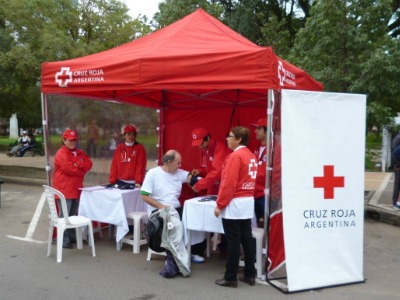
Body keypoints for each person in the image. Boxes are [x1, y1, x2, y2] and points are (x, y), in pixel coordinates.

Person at [140, 150, 206, 265]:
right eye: (178, 163)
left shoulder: (179, 173)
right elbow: (144, 196)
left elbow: (191, 178)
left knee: (195, 220)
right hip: (158, 210)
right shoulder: (152, 173)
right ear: (169, 162)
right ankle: (173, 258)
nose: (180, 166)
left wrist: (198, 181)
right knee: (174, 224)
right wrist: (162, 207)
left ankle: (190, 251)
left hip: (175, 208)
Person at [214, 126, 257, 288]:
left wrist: (220, 205)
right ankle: (250, 274)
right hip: (247, 201)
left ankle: (230, 277)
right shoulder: (250, 155)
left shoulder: (235, 156)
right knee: (247, 238)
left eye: (230, 136)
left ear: (238, 139)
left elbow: (228, 183)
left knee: (233, 242)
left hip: (235, 203)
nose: (227, 139)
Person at [190, 127, 231, 258]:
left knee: (224, 217)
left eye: (201, 143)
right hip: (213, 188)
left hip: (223, 188)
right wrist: (200, 171)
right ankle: (202, 246)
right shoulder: (207, 150)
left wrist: (199, 185)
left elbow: (217, 173)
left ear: (208, 138)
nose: (200, 146)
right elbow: (209, 170)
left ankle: (225, 248)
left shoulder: (220, 149)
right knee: (209, 217)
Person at [53, 129, 93, 249]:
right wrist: (81, 167)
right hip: (64, 188)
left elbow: (89, 164)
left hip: (75, 189)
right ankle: (64, 239)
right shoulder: (61, 153)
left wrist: (78, 164)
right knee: (65, 215)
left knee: (73, 215)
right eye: (70, 140)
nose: (73, 142)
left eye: (74, 140)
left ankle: (70, 237)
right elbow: (68, 169)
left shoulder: (79, 152)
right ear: (64, 140)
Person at [251, 117, 268, 226]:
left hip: (266, 195)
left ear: (267, 130)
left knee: (269, 226)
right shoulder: (257, 148)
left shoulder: (273, 148)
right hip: (254, 194)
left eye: (259, 128)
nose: (255, 131)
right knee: (255, 226)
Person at [392, 131, 400, 209]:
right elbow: (395, 153)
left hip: (397, 165)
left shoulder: (397, 137)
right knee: (397, 185)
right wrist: (398, 165)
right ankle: (396, 203)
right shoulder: (398, 138)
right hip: (398, 166)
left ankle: (396, 202)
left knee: (397, 184)